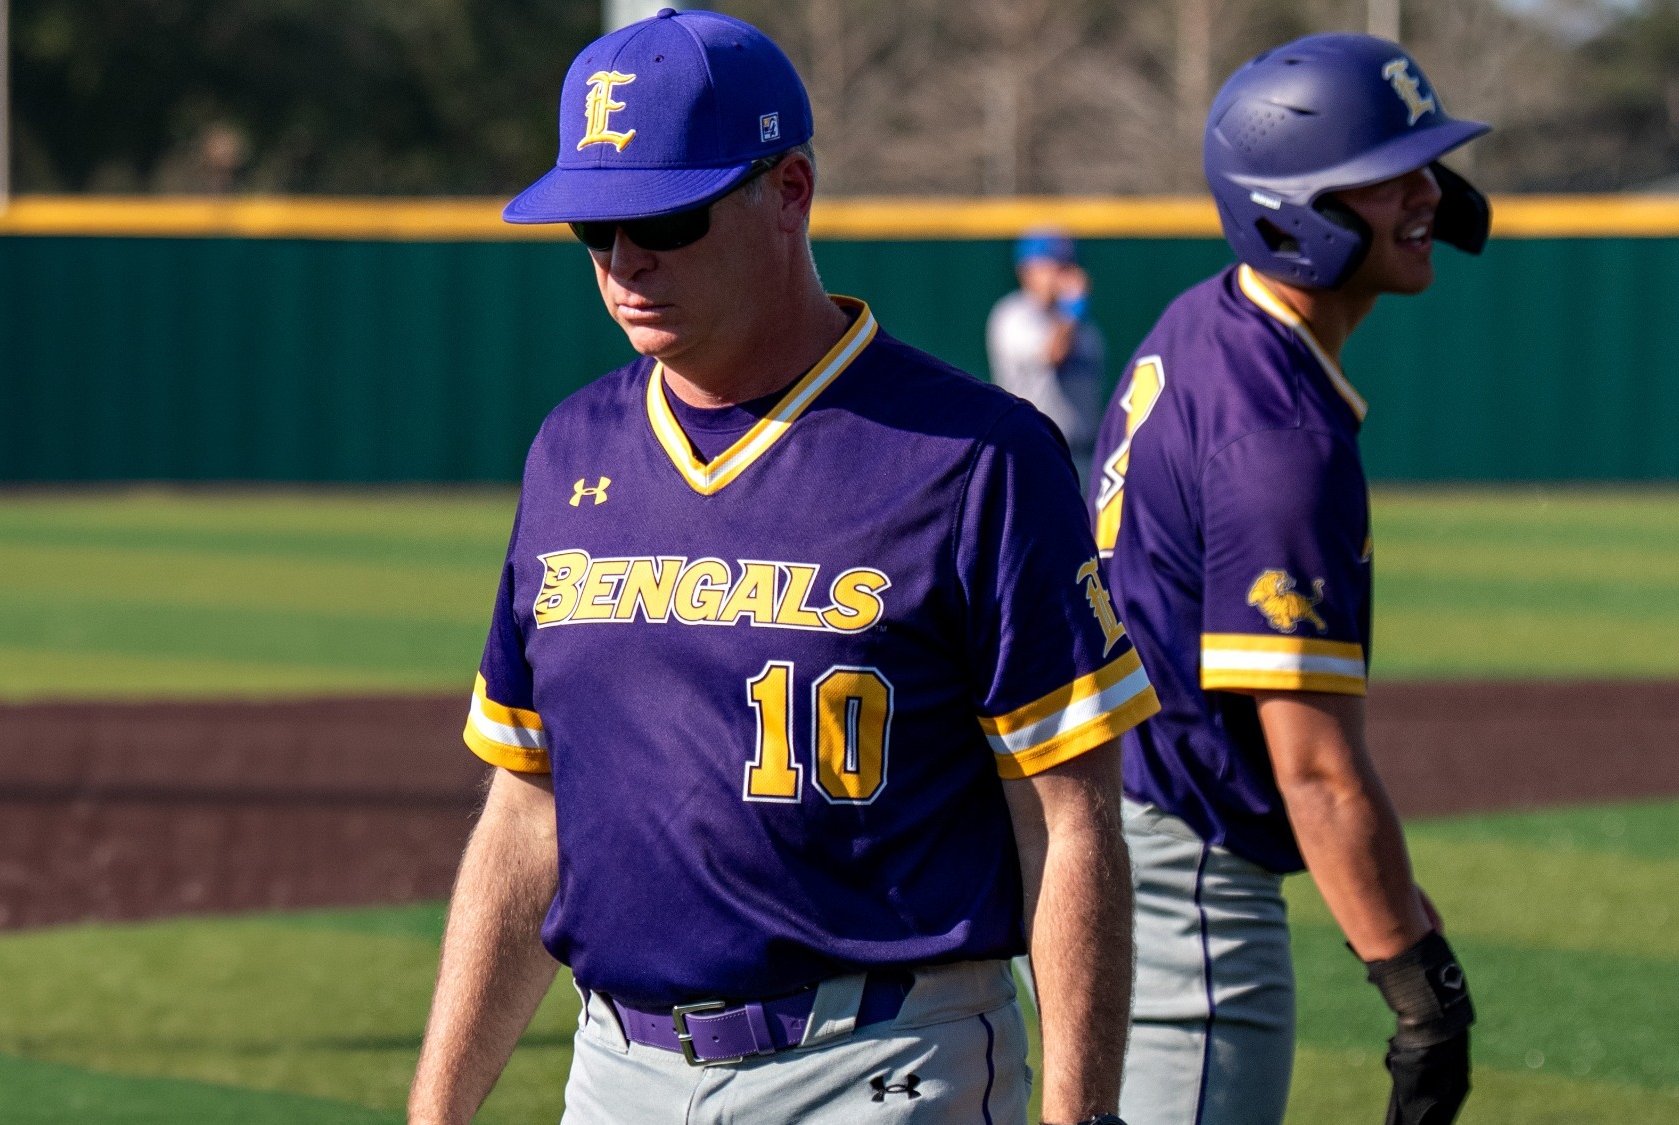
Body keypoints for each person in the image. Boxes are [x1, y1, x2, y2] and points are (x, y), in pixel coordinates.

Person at [408, 10, 1158, 1125]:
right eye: (591, 229)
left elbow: (1064, 820)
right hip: (613, 1071)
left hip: (879, 1065)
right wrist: (437, 1109)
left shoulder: (976, 458)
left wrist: (1080, 1114)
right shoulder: (571, 449)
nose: (624, 260)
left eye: (663, 214)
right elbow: (528, 809)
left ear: (790, 190)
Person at [1088, 33, 1484, 1125]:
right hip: (1186, 886)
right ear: (1290, 213)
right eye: (1381, 179)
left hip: (1118, 822)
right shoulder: (1277, 440)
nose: (1424, 197)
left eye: (1423, 167)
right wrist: (1417, 990)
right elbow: (1311, 769)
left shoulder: (1207, 320)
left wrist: (1400, 907)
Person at [987, 231, 1105, 481]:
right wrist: (1072, 308)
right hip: (1032, 453)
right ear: (1026, 270)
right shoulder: (1014, 315)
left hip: (1085, 455)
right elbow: (1054, 354)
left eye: (1065, 265)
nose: (1061, 274)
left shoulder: (1084, 327)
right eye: (1052, 265)